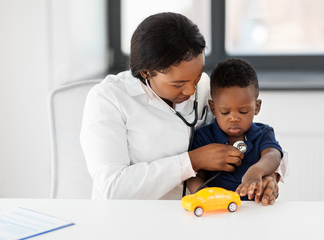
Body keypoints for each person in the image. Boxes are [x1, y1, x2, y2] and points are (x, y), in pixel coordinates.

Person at [80, 12, 285, 201]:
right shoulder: (108, 99)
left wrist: (269, 176)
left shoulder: (204, 87)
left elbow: (258, 140)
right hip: (133, 219)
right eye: (178, 84)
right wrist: (192, 161)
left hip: (200, 214)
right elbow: (113, 188)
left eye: (196, 77)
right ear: (145, 73)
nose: (190, 91)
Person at [187, 58, 285, 205]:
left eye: (243, 111)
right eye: (225, 112)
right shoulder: (204, 136)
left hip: (254, 208)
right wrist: (204, 194)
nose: (234, 118)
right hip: (217, 209)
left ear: (257, 107)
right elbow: (194, 176)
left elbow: (273, 155)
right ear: (213, 108)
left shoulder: (263, 133)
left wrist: (257, 171)